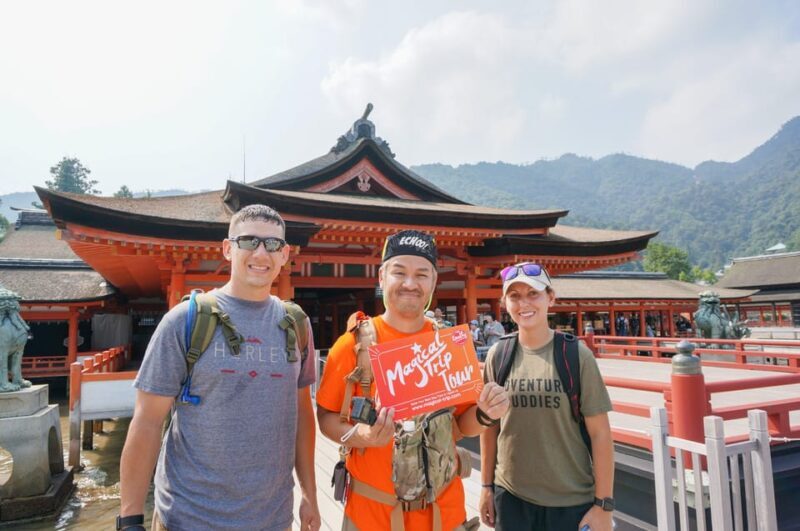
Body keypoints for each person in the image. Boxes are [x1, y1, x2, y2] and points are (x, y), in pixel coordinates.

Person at [118, 204, 321, 531]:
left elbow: (301, 414)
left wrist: (310, 493)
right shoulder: (184, 321)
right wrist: (129, 520)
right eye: (248, 241)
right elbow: (147, 421)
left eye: (271, 245)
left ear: (284, 255)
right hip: (188, 517)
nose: (260, 253)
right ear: (228, 249)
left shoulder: (296, 325)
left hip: (272, 518)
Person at [316, 229, 510, 531]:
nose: (410, 283)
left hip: (444, 514)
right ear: (382, 278)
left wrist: (487, 413)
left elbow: (461, 425)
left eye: (422, 274)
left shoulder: (449, 347)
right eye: (399, 272)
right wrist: (363, 436)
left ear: (433, 281)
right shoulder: (353, 347)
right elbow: (326, 418)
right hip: (372, 516)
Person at [480, 262, 615, 531]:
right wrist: (486, 487)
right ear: (505, 302)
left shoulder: (576, 356)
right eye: (515, 296)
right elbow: (490, 426)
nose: (524, 303)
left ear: (550, 298)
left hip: (571, 500)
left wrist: (603, 506)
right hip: (511, 497)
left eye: (533, 294)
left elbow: (600, 434)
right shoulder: (499, 355)